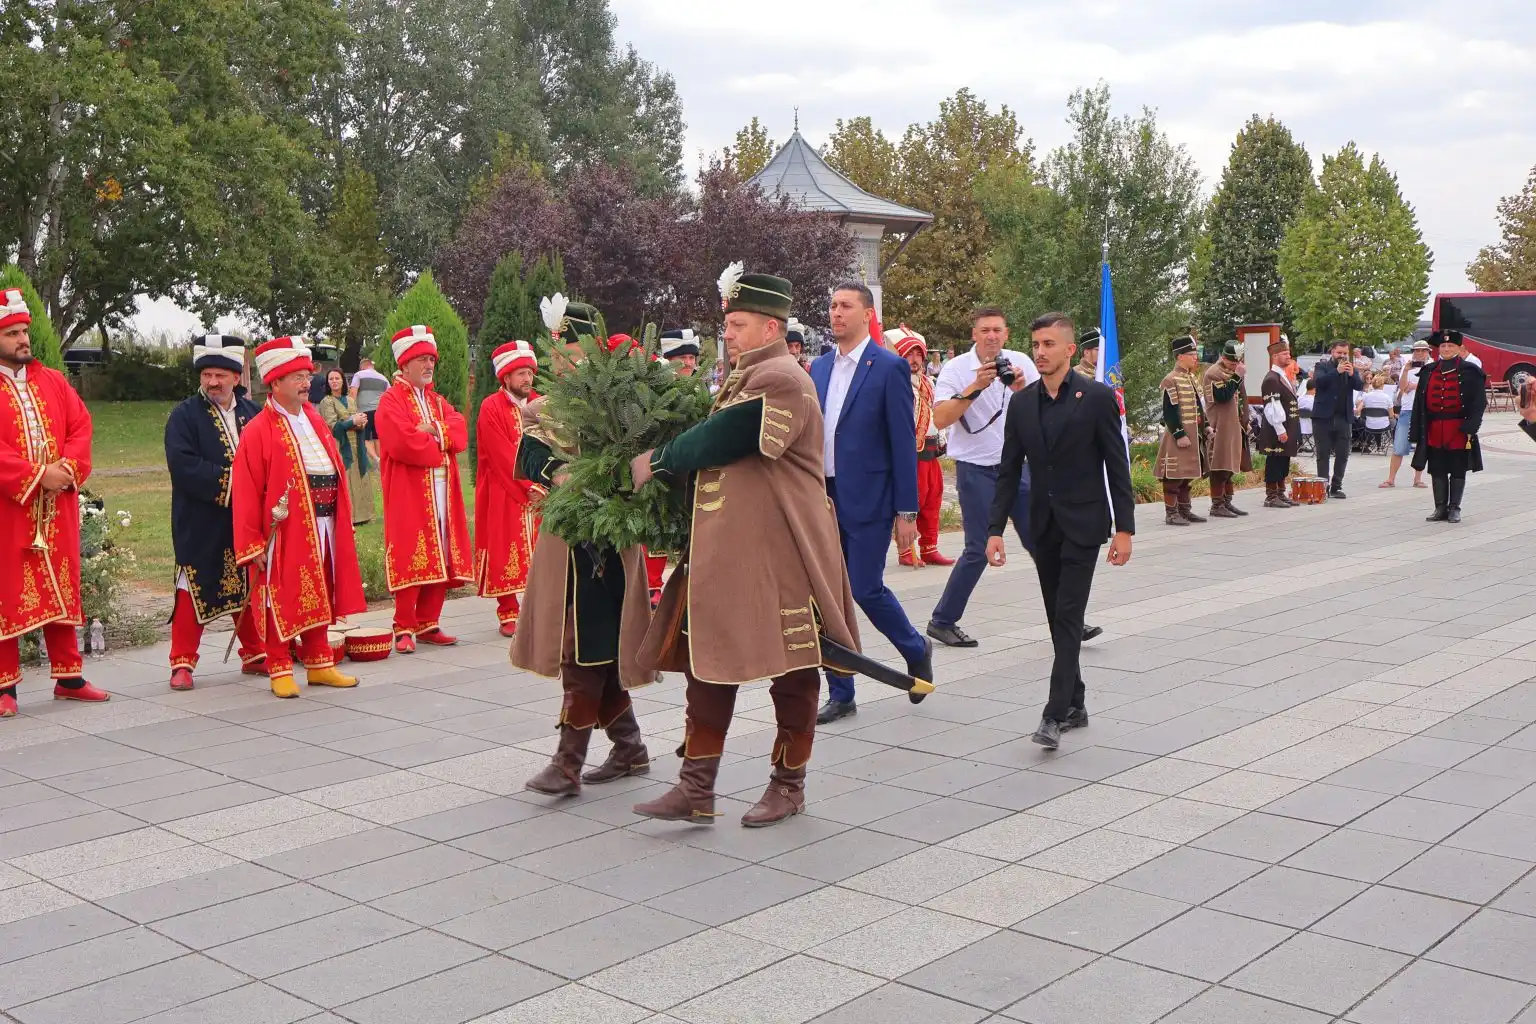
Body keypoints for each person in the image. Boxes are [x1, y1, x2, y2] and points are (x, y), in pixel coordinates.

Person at [629, 268, 863, 826]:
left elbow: (724, 437)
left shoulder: (782, 376)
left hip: (785, 552)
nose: (727, 334)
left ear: (770, 327)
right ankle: (696, 789)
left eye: (737, 324)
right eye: (727, 324)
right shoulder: (745, 374)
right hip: (732, 553)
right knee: (709, 661)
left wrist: (656, 461)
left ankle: (788, 785)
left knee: (795, 669)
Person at [514, 295, 653, 796]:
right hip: (565, 540)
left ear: (589, 349)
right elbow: (528, 453)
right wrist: (558, 471)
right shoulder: (544, 407)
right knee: (595, 644)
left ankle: (568, 762)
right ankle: (629, 745)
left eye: (565, 349)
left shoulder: (620, 405)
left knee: (588, 645)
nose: (556, 361)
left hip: (609, 541)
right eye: (553, 351)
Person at [985, 312, 1133, 750]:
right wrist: (995, 528)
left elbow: (1117, 466)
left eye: (1049, 344)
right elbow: (1008, 471)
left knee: (1068, 614)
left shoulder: (1098, 398)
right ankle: (1077, 703)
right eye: (1036, 344)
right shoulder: (1022, 402)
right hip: (1043, 526)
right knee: (1056, 616)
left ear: (1070, 350)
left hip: (1085, 523)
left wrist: (1125, 528)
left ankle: (1053, 714)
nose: (1040, 352)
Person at [808, 282, 932, 724]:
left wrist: (906, 511)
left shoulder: (889, 367)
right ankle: (841, 691)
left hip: (870, 499)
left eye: (845, 306)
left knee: (864, 588)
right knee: (825, 598)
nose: (836, 313)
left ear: (867, 314)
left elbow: (902, 443)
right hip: (821, 499)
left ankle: (915, 647)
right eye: (833, 306)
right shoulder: (818, 368)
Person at [232, 337, 366, 698]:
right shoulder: (258, 429)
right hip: (286, 528)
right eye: (297, 377)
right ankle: (279, 666)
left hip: (324, 521)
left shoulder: (316, 421)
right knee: (282, 594)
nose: (307, 383)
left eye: (307, 376)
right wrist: (251, 542)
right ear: (275, 383)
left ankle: (320, 663)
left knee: (320, 587)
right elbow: (244, 489)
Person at [0, 288, 107, 717]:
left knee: (62, 583)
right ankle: (4, 687)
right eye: (12, 333)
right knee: (7, 591)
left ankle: (69, 677)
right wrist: (34, 475)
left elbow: (81, 425)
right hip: (10, 508)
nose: (24, 339)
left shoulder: (54, 380)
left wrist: (66, 468)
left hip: (55, 505)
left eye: (25, 331)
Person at [925, 307, 1038, 646]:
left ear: (1006, 334)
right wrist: (976, 385)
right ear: (973, 334)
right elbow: (941, 418)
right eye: (985, 330)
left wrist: (1021, 388)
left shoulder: (1021, 362)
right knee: (977, 549)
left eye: (997, 330)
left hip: (1018, 467)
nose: (991, 336)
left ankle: (1070, 618)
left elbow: (1047, 408)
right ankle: (942, 621)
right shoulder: (957, 369)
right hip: (976, 470)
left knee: (1042, 543)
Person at [164, 334, 265, 691]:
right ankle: (182, 662)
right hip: (201, 517)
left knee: (249, 582)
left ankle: (255, 653)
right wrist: (237, 487)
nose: (212, 382)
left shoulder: (255, 413)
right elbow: (183, 464)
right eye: (207, 374)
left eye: (220, 375)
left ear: (236, 377)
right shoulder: (184, 416)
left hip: (247, 519)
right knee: (192, 584)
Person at [376, 325, 473, 653]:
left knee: (442, 552)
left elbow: (460, 432)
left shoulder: (436, 400)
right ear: (404, 365)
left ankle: (429, 621)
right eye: (421, 359)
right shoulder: (390, 400)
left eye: (431, 359)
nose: (429, 365)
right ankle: (403, 625)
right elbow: (402, 442)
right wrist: (439, 447)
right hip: (410, 492)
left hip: (443, 491)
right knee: (411, 550)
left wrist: (433, 430)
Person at [474, 340, 540, 637]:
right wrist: (528, 486)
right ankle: (508, 612)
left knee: (540, 550)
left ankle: (538, 608)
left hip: (543, 488)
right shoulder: (491, 407)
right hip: (503, 488)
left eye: (530, 372)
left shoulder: (541, 402)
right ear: (506, 377)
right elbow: (501, 454)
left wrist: (546, 482)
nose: (527, 379)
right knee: (507, 546)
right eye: (521, 374)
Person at [885, 325, 952, 569]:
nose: (914, 360)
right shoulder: (895, 384)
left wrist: (942, 439)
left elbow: (938, 412)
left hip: (930, 453)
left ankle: (930, 548)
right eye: (909, 355)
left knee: (933, 500)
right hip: (909, 455)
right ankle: (906, 551)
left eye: (918, 355)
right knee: (911, 501)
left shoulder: (929, 383)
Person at [1410, 330, 1486, 524]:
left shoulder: (1470, 370)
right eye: (1443, 346)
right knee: (1437, 468)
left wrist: (1471, 427)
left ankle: (1454, 508)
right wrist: (1417, 430)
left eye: (1450, 345)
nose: (1446, 348)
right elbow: (1419, 402)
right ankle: (1440, 507)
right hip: (1434, 428)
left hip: (1458, 428)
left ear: (1459, 348)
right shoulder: (1428, 371)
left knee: (1458, 468)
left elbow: (1479, 402)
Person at [1156, 335, 1208, 526]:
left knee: (1187, 475)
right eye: (1192, 354)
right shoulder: (1171, 379)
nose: (1195, 357)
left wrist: (1206, 426)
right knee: (1174, 476)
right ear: (1179, 356)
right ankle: (1171, 513)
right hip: (1179, 435)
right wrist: (1179, 434)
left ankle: (1185, 511)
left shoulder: (1191, 377)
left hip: (1193, 433)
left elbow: (1198, 406)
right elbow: (1169, 411)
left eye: (1195, 353)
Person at [317, 368, 375, 526]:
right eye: (331, 379)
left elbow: (356, 417)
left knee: (359, 476)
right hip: (340, 444)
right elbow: (332, 426)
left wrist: (362, 421)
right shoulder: (326, 402)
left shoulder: (350, 400)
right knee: (346, 477)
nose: (334, 381)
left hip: (356, 442)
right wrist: (352, 421)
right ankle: (349, 516)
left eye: (337, 378)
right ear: (328, 383)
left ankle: (363, 514)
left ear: (343, 381)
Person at [1201, 340, 1251, 518]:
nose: (1235, 365)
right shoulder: (1214, 373)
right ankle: (1217, 504)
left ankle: (1227, 502)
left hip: (1232, 424)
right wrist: (1237, 376)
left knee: (1230, 465)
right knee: (1220, 465)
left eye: (1238, 362)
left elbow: (1239, 398)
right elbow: (1222, 396)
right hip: (1219, 424)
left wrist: (1245, 418)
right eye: (1232, 362)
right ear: (1223, 357)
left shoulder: (1232, 370)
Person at [1310, 340, 1364, 498]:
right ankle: (1322, 487)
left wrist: (1353, 374)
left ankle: (1336, 486)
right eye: (1339, 352)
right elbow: (1318, 383)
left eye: (1345, 353)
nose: (1342, 356)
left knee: (1343, 454)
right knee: (1323, 454)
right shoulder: (1322, 366)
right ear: (1332, 352)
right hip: (1323, 418)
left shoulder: (1350, 368)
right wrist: (1337, 372)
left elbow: (1359, 386)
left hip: (1343, 417)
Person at [1258, 336, 1301, 509]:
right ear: (1274, 357)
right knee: (1275, 461)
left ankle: (1280, 493)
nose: (1288, 356)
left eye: (1288, 352)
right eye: (1284, 353)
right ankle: (1271, 496)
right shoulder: (1271, 378)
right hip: (1277, 429)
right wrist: (1280, 429)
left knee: (1283, 461)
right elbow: (1272, 406)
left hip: (1286, 428)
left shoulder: (1282, 375)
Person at [1383, 339, 1431, 489]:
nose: (1420, 353)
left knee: (1422, 446)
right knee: (1399, 445)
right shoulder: (1407, 365)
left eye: (1423, 350)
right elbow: (1403, 387)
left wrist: (1415, 385)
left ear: (1428, 351)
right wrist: (1406, 371)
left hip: (1425, 409)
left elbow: (1432, 386)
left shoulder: (1433, 365)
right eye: (1417, 350)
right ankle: (1391, 479)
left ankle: (1418, 479)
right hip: (1408, 408)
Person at [350, 356, 389, 461]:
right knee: (378, 437)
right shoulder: (383, 378)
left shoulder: (359, 375)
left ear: (362, 367)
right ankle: (382, 461)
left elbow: (353, 392)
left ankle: (376, 459)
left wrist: (352, 411)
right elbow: (389, 396)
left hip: (364, 411)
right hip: (380, 412)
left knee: (364, 437)